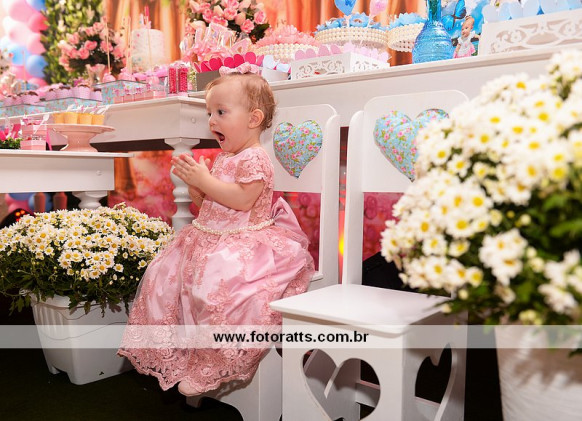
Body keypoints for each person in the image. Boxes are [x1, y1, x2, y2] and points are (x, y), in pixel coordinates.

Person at [118, 72, 315, 396]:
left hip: (241, 242)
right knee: (162, 277)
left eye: (221, 112)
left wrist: (205, 181)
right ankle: (183, 357)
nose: (212, 120)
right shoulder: (224, 157)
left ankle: (210, 363)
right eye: (210, 112)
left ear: (253, 119)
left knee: (215, 290)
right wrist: (197, 186)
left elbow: (242, 199)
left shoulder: (255, 157)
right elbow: (208, 204)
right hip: (208, 237)